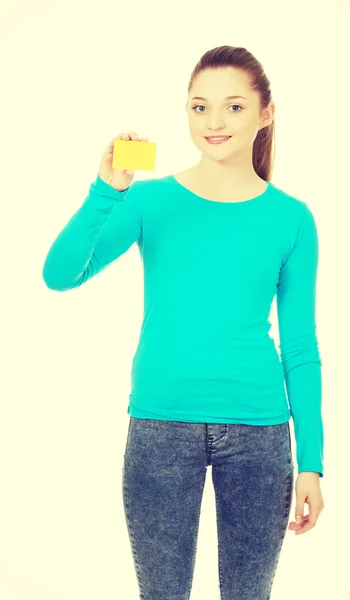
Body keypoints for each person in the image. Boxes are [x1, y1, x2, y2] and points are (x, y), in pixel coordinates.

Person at [43, 45, 325, 600]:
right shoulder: (147, 201)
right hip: (159, 429)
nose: (214, 122)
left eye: (233, 107)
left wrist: (311, 462)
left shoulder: (292, 218)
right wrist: (106, 190)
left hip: (260, 436)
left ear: (266, 113)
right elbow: (59, 275)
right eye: (199, 107)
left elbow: (300, 346)